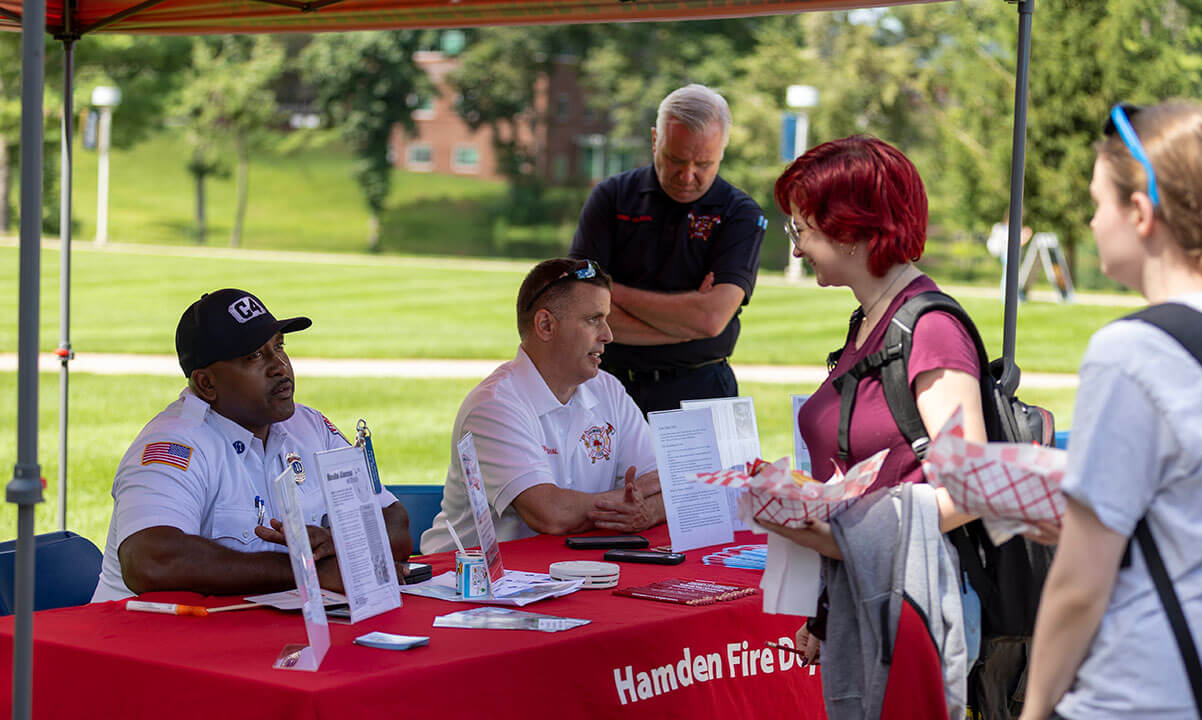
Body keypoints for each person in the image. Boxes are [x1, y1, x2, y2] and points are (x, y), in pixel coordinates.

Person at [1020, 102, 1202, 719]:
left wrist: (1032, 710)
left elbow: (1080, 587)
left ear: (1140, 214)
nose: (1091, 220)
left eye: (1098, 202)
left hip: (1135, 691)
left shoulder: (1132, 351)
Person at [757, 135, 987, 719]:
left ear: (853, 230)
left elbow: (970, 488)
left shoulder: (927, 328)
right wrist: (824, 610)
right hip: (866, 595)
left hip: (913, 604)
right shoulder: (869, 321)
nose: (799, 247)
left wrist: (832, 527)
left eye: (802, 229)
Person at [92, 289, 412, 602]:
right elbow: (151, 561)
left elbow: (395, 523)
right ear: (206, 383)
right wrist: (307, 571)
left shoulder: (310, 426)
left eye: (279, 347)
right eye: (254, 356)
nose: (279, 366)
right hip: (145, 642)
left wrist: (344, 545)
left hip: (262, 638)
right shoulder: (173, 443)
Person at [420, 258, 665, 553]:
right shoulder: (493, 407)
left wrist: (647, 512)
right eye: (593, 320)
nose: (608, 335)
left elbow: (666, 485)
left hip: (561, 573)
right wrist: (627, 507)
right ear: (546, 325)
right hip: (471, 586)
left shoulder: (607, 389)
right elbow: (550, 514)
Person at [569, 84, 766, 416]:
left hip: (701, 390)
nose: (687, 175)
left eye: (703, 163)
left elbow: (710, 319)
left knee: (708, 473)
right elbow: (578, 307)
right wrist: (685, 324)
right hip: (606, 386)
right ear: (654, 140)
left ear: (723, 150)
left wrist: (610, 290)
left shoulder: (740, 213)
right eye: (675, 159)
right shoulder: (612, 197)